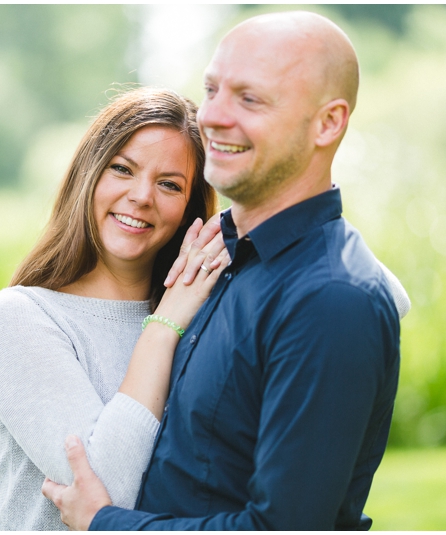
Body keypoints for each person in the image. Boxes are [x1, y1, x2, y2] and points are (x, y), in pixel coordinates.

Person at [42, 11, 403, 530]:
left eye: (249, 99)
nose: (212, 117)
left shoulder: (333, 298)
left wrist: (107, 524)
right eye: (212, 90)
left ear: (328, 123)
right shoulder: (211, 260)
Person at [0, 87, 230, 530]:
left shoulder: (205, 311)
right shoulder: (19, 318)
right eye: (123, 169)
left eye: (169, 184)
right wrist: (163, 327)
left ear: (190, 209)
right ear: (88, 175)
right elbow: (106, 496)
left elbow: (374, 294)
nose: (142, 196)